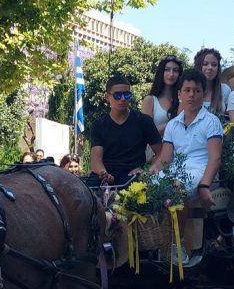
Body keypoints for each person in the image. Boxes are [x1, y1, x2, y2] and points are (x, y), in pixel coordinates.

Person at [151, 69, 223, 263]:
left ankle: (178, 242)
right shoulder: (173, 125)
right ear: (179, 93)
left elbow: (215, 158)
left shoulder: (211, 121)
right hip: (177, 170)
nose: (192, 95)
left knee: (176, 189)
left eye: (197, 91)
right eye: (187, 90)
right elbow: (165, 159)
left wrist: (205, 185)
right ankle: (156, 244)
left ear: (202, 94)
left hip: (202, 171)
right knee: (147, 189)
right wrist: (152, 171)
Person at [90, 74, 163, 185]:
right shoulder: (99, 125)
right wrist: (103, 173)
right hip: (105, 175)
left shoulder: (144, 121)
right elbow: (96, 160)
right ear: (107, 97)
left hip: (133, 176)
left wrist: (148, 170)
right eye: (117, 95)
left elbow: (161, 152)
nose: (123, 99)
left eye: (127, 94)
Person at [140, 55, 183, 135]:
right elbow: (146, 132)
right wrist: (175, 121)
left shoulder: (183, 100)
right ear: (161, 72)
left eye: (175, 70)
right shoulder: (150, 100)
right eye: (167, 70)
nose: (171, 74)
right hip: (155, 147)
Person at [193, 48, 231, 116]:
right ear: (198, 66)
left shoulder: (225, 90)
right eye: (205, 64)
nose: (210, 67)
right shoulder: (190, 89)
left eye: (214, 65)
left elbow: (229, 119)